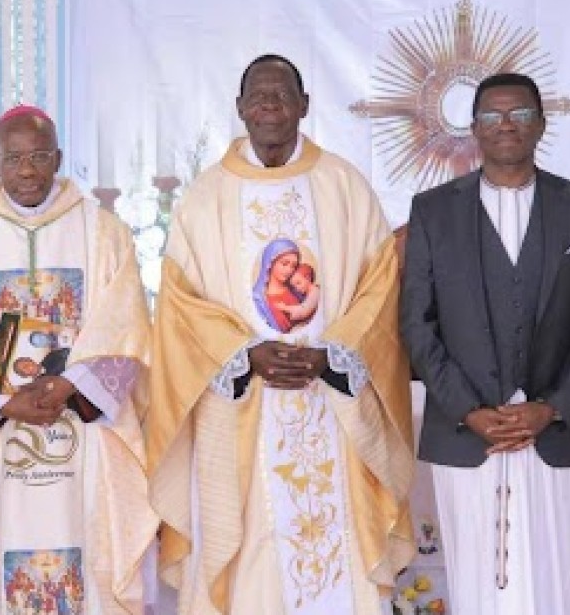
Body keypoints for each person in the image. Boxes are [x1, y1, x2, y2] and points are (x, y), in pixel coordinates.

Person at [146, 54, 415, 614]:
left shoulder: (343, 185)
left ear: (304, 106)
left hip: (331, 405)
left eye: (283, 94)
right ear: (241, 108)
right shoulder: (206, 196)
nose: (270, 105)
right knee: (243, 547)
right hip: (238, 404)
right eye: (259, 96)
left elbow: (380, 288)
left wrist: (330, 353)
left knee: (335, 537)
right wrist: (243, 354)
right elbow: (180, 305)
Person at [0, 105, 157, 614]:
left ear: (58, 158)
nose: (26, 171)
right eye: (13, 158)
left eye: (39, 156)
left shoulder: (105, 234)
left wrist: (70, 386)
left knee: (86, 531)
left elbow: (125, 323)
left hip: (83, 424)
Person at [399, 72, 570, 614]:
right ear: (472, 128)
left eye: (519, 114)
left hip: (557, 429)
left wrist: (552, 407)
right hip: (465, 431)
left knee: (556, 575)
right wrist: (469, 409)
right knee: (477, 578)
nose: (506, 126)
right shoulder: (432, 211)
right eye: (492, 115)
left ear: (541, 125)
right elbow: (416, 324)